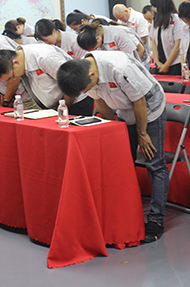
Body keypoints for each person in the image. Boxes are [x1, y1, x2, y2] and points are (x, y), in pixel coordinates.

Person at [56, 51, 169, 243]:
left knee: (154, 164)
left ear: (92, 75)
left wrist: (142, 134)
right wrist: (113, 130)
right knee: (124, 163)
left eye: (86, 89)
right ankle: (128, 214)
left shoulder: (120, 68)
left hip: (149, 109)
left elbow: (139, 100)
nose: (87, 91)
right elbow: (100, 101)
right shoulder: (83, 71)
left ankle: (156, 220)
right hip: (124, 110)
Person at [0, 46, 93, 115]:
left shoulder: (45, 57)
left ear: (15, 63)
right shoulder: (22, 59)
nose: (13, 79)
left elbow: (72, 83)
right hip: (54, 109)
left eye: (11, 76)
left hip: (76, 103)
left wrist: (63, 110)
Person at [77, 20, 147, 65]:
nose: (94, 50)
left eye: (94, 48)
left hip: (135, 64)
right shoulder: (94, 38)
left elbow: (136, 54)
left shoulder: (119, 34)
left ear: (97, 39)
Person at [149, 0, 186, 75]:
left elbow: (178, 46)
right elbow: (154, 42)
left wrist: (166, 65)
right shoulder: (155, 20)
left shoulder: (176, 19)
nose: (154, 9)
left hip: (174, 64)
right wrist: (158, 62)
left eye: (155, 6)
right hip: (160, 65)